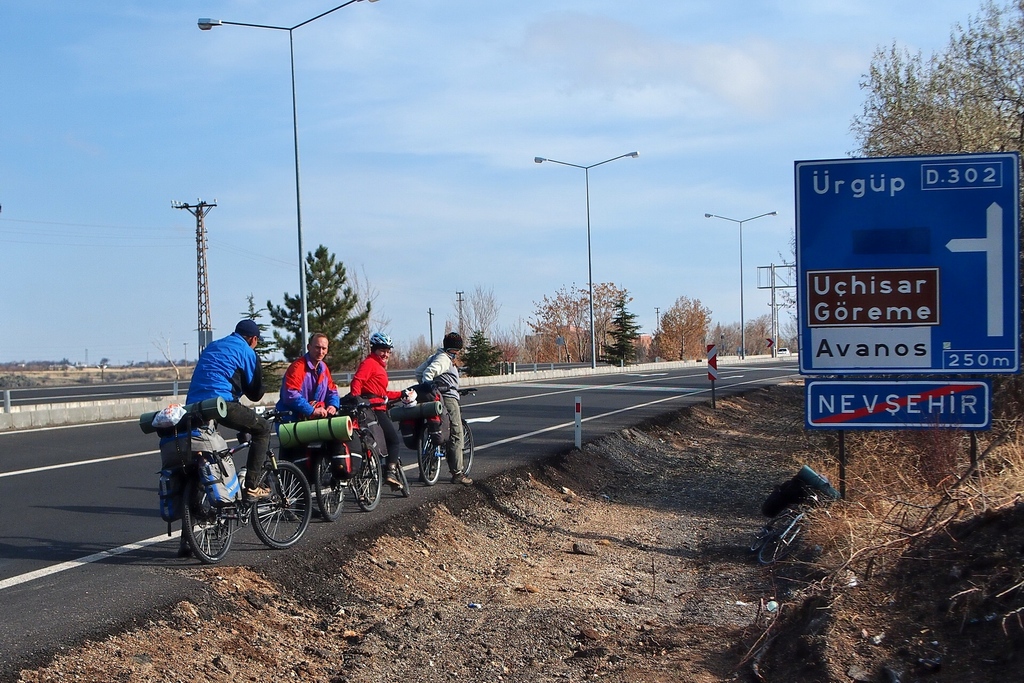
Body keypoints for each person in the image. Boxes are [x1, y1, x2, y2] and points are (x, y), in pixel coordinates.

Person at [186, 319, 272, 501]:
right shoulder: (247, 351)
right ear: (253, 339)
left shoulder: (213, 345)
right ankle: (252, 486)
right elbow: (255, 393)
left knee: (207, 445)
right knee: (263, 428)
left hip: (193, 406)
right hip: (221, 403)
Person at [275, 332, 344, 473]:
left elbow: (332, 390)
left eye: (324, 348)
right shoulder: (298, 367)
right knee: (293, 467)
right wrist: (311, 410)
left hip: (311, 419)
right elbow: (290, 394)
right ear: (309, 347)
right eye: (317, 347)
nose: (320, 351)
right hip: (291, 420)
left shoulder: (323, 368)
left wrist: (333, 405)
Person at [349, 332, 407, 489]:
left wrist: (401, 394)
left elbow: (381, 393)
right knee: (394, 440)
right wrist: (356, 400)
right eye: (382, 350)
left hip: (378, 405)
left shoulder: (378, 366)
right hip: (373, 409)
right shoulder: (370, 363)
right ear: (374, 349)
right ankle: (390, 473)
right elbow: (357, 382)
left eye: (388, 351)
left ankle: (382, 469)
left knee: (382, 441)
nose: (386, 354)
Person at [415, 331, 472, 486]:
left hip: (437, 398)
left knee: (437, 431)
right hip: (448, 399)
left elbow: (418, 372)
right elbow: (428, 373)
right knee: (456, 434)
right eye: (457, 350)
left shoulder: (435, 356)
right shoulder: (444, 359)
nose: (457, 353)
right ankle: (458, 473)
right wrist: (431, 387)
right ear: (453, 349)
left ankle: (428, 470)